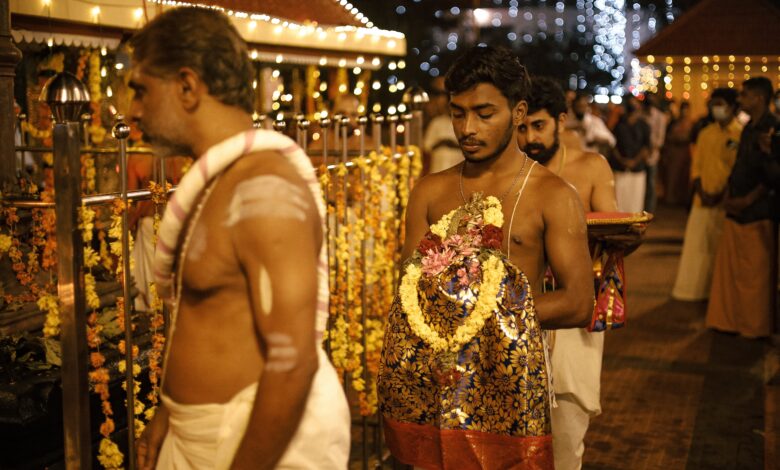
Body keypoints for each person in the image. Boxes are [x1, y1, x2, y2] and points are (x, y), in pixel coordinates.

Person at [128, 8, 350, 469]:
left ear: (188, 87)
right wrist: (168, 413)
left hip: (250, 443)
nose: (132, 111)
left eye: (141, 90)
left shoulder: (262, 189)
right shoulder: (215, 183)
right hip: (196, 436)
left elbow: (293, 363)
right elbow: (201, 311)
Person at [378, 46, 593, 470]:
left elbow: (578, 301)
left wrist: (486, 318)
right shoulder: (430, 191)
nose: (467, 128)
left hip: (511, 381)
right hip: (437, 384)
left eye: (484, 113)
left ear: (518, 113)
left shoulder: (552, 195)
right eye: (458, 113)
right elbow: (408, 292)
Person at [517, 76, 617, 470]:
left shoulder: (590, 167)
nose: (529, 139)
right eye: (521, 128)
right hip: (523, 309)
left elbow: (617, 234)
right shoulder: (511, 173)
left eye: (538, 126)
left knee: (567, 430)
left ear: (560, 121)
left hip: (574, 309)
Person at [707, 77, 779, 339]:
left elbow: (772, 176)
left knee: (756, 275)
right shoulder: (748, 128)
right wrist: (730, 194)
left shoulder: (773, 128)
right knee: (732, 271)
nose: (740, 100)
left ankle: (754, 327)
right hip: (736, 207)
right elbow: (740, 166)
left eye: (745, 95)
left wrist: (747, 200)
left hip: (758, 211)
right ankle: (730, 321)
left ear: (759, 98)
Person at [672, 89, 742, 301]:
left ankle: (718, 293)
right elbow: (697, 168)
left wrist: (722, 194)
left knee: (720, 250)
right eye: (713, 104)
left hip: (725, 201)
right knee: (698, 248)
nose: (715, 108)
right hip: (701, 200)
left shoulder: (740, 135)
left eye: (720, 103)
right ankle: (693, 291)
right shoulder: (705, 133)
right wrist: (701, 191)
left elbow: (737, 170)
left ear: (732, 107)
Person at [611, 96, 651, 213]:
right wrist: (622, 160)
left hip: (637, 169)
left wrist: (635, 161)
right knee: (620, 199)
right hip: (620, 167)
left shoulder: (643, 125)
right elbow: (613, 145)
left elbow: (646, 147)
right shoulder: (619, 124)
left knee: (636, 200)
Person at [423, 76, 462, 173]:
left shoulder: (462, 122)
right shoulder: (437, 122)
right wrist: (442, 142)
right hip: (438, 168)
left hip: (458, 169)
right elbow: (426, 146)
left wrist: (453, 144)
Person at [661, 101, 694, 206]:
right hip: (674, 152)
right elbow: (667, 136)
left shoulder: (692, 123)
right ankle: (671, 198)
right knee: (672, 176)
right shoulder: (674, 122)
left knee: (683, 176)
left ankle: (681, 198)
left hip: (685, 152)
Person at [641, 92, 668, 213]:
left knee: (651, 183)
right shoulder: (641, 115)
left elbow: (660, 139)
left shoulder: (660, 117)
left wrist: (651, 150)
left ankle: (650, 210)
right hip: (640, 154)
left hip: (652, 155)